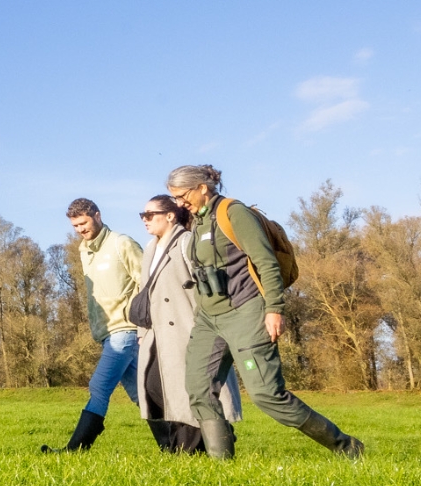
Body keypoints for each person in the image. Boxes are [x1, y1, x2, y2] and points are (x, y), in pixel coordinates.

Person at [165, 164, 364, 458]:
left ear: (202, 188)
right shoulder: (198, 222)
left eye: (182, 195)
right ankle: (222, 466)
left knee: (267, 395)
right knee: (198, 389)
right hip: (209, 319)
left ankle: (346, 446)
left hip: (246, 312)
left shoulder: (234, 213)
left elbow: (266, 262)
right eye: (175, 198)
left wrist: (274, 308)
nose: (180, 203)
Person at [133, 194, 241, 452]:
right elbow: (144, 290)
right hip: (156, 332)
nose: (144, 220)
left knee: (186, 390)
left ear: (170, 216)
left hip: (186, 329)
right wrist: (141, 331)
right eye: (142, 215)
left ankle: (192, 448)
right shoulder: (150, 248)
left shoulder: (186, 242)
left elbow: (206, 284)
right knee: (153, 388)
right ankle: (190, 442)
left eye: (150, 215)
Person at [45, 198, 145, 452]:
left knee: (99, 386)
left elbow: (147, 282)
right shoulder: (83, 249)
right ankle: (177, 444)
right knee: (141, 394)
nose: (80, 229)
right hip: (105, 332)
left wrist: (141, 322)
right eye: (75, 225)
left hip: (124, 328)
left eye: (84, 222)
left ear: (98, 216)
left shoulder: (122, 243)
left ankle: (75, 450)